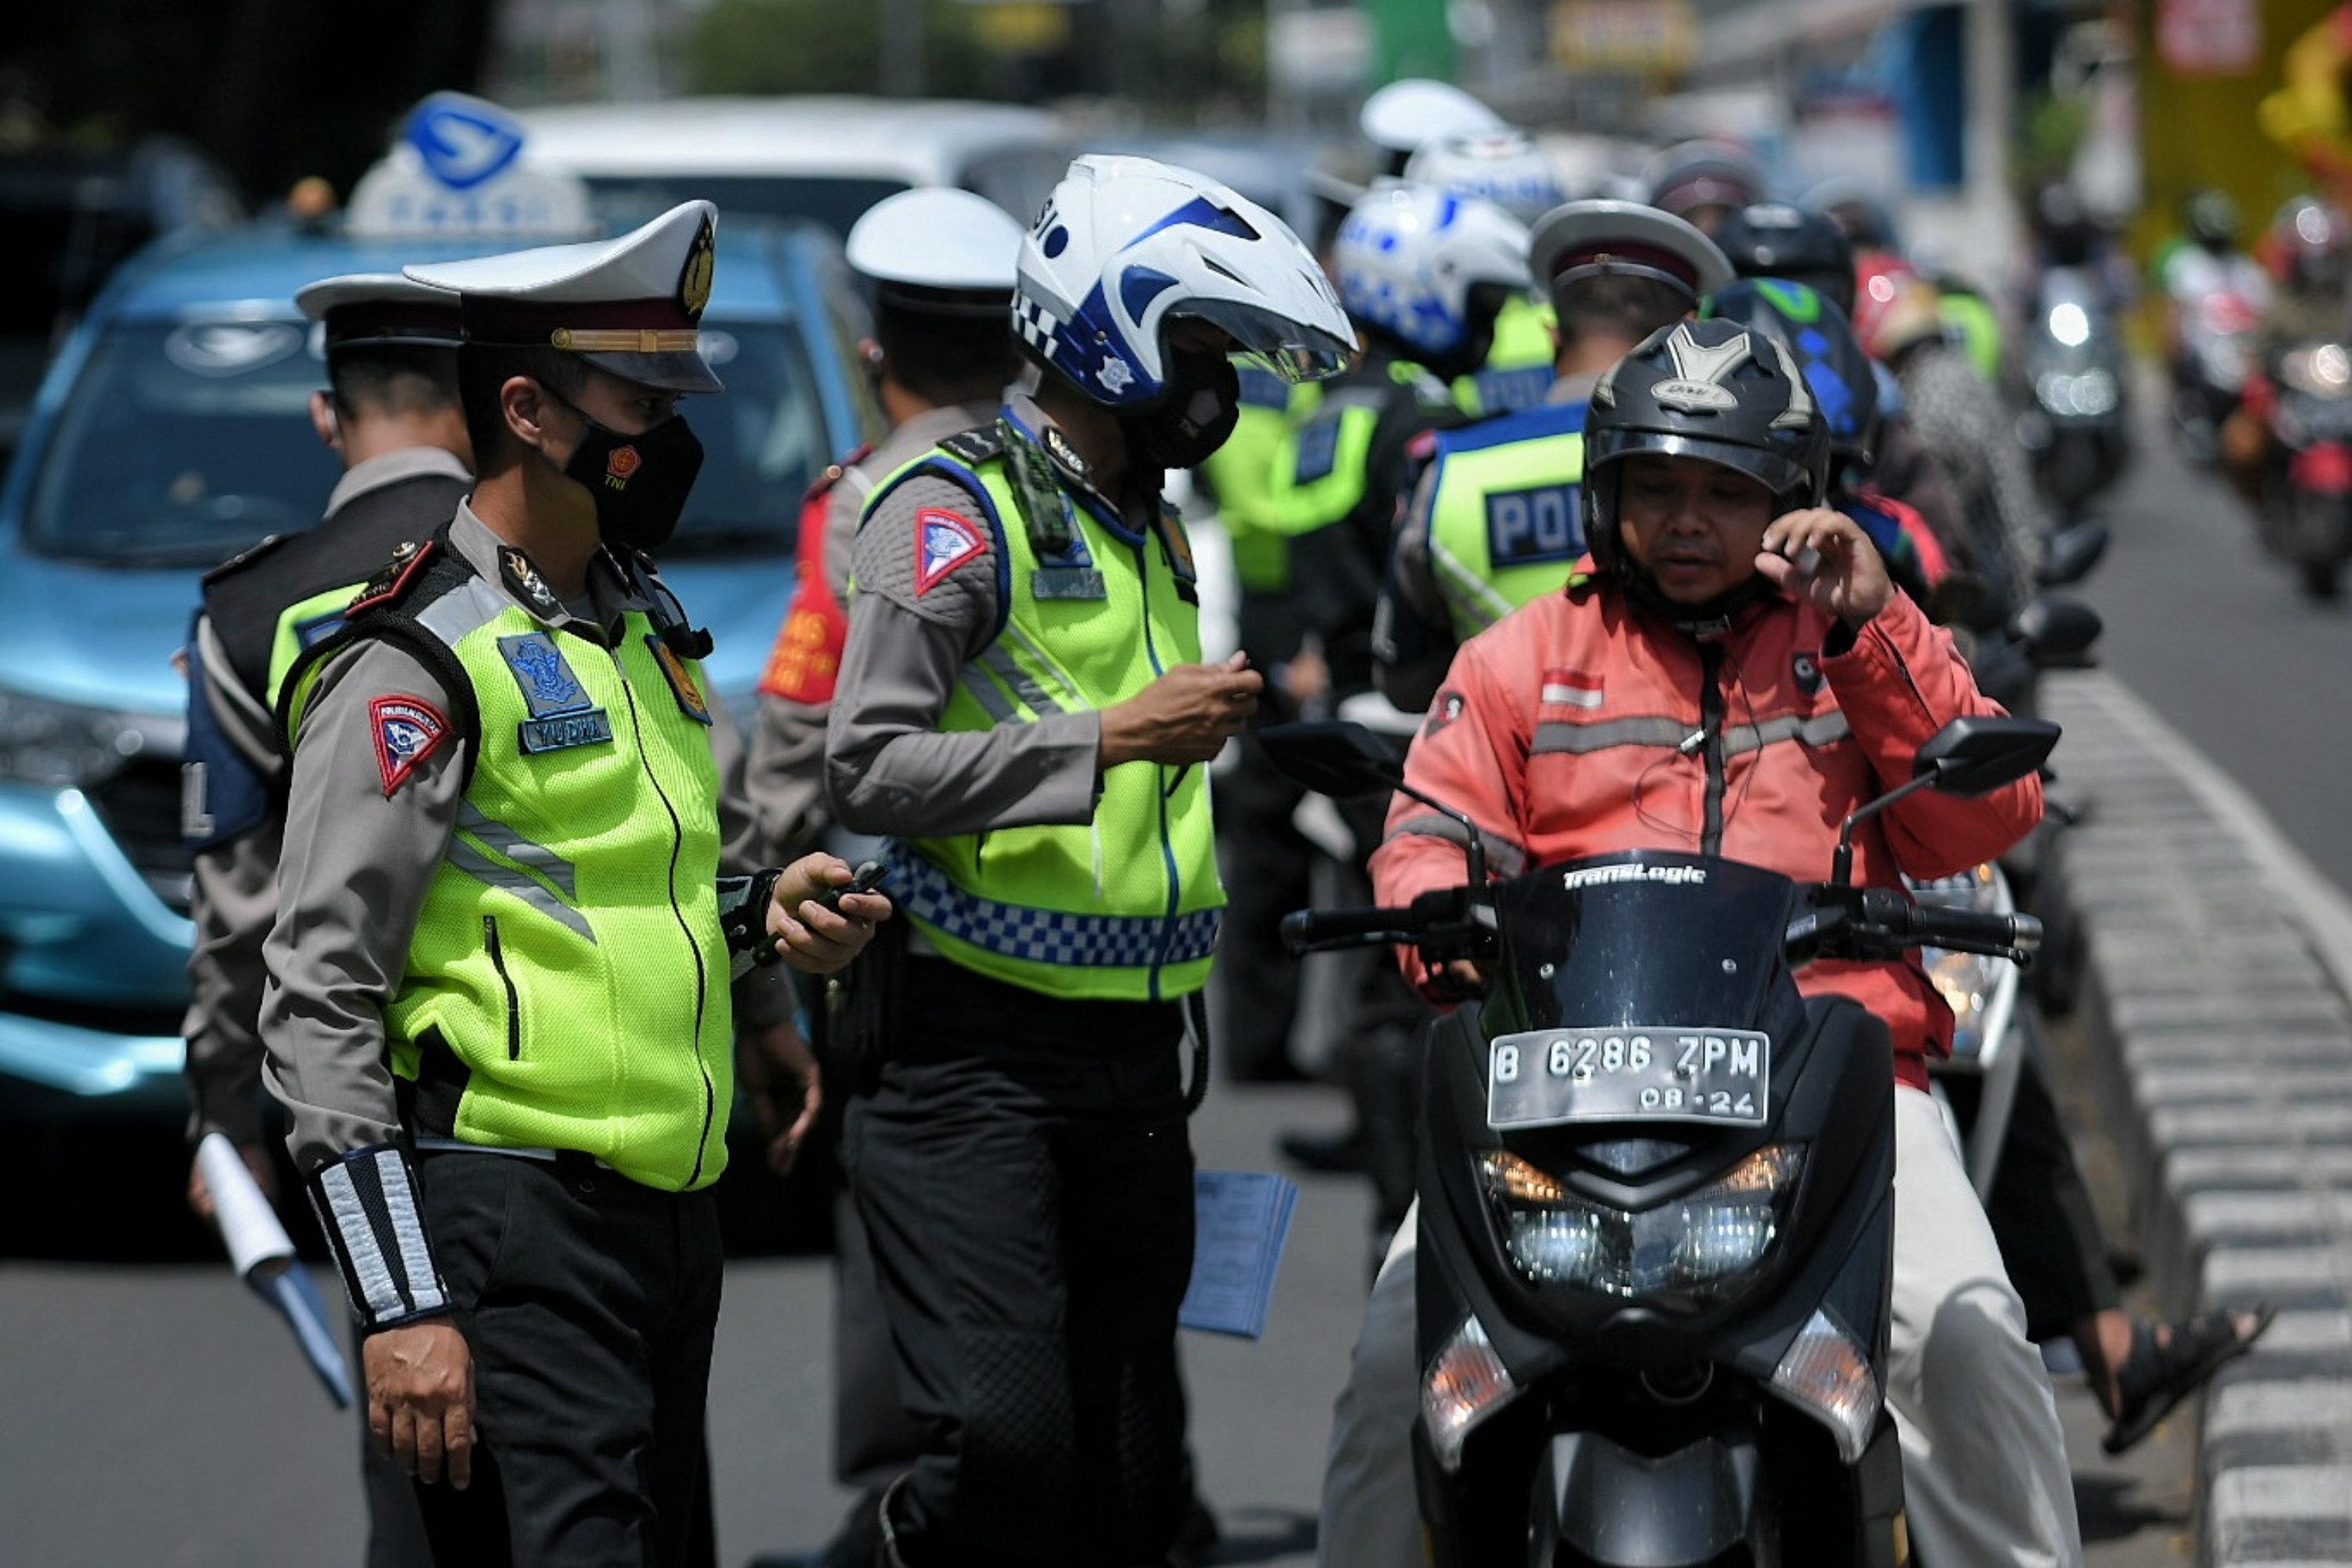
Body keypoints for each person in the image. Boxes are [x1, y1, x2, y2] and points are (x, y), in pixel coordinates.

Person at [1319, 316, 2085, 1568]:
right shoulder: (1520, 657)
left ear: (1790, 504)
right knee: (1384, 1374)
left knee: (1970, 1338)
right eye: (1658, 486)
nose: (1687, 520)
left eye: (1724, 492)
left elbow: (1982, 817)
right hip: (1552, 1101)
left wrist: (1873, 621)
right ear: (1603, 490)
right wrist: (1435, 907)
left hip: (1833, 1091)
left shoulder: (1847, 638)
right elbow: (1430, 824)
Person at [256, 199, 890, 1567]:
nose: (671, 435)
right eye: (640, 399)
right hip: (509, 1230)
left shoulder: (641, 618)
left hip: (667, 1227)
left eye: (678, 392)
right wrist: (404, 1301)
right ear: (530, 412)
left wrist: (768, 945)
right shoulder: (410, 657)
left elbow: (627, 891)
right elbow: (320, 999)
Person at [822, 154, 1355, 1567]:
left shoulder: (1151, 523)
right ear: (1107, 328)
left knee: (1126, 1476)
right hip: (968, 1064)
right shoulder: (949, 508)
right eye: (1199, 345)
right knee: (1004, 1448)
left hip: (1133, 1063)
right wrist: (1111, 741)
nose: (1218, 385)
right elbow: (864, 765)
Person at [742, 186, 1029, 1568]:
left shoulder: (862, 502)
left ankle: (905, 1496)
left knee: (900, 1218)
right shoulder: (1088, 486)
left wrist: (766, 916)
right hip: (1113, 946)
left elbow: (801, 735)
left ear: (872, 346)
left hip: (907, 937)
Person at [180, 269, 471, 1568]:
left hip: (371, 1113)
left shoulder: (249, 611)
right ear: (488, 405)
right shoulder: (552, 570)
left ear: (324, 418)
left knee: (422, 1463)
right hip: (578, 1113)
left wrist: (226, 1117)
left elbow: (241, 912)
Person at [1262, 177, 1531, 1252]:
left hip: (1349, 720)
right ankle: (1419, 1207)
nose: (1485, 330)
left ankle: (1395, 1206)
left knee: (1381, 982)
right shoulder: (1424, 427)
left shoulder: (1328, 413)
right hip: (1419, 729)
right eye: (1472, 305)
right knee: (1438, 975)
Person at [1374, 197, 1730, 712]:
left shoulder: (1448, 467)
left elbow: (1403, 680)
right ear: (1691, 331)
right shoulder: (1728, 470)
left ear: (1553, 336)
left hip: (1506, 775)